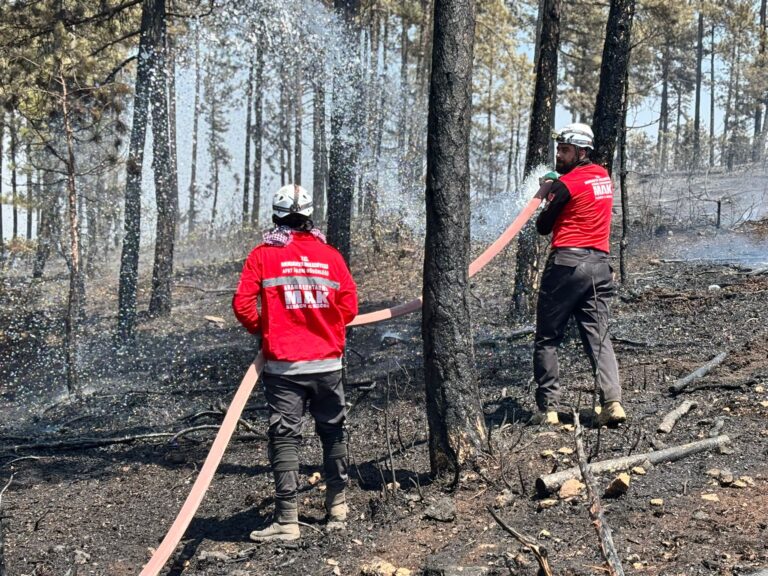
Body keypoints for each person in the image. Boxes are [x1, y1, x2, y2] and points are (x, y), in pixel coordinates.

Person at [232, 184, 358, 541]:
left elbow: (242, 306)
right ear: (309, 217)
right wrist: (324, 325)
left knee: (285, 438)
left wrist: (267, 330)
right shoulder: (331, 256)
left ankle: (287, 520)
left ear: (276, 218)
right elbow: (348, 307)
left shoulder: (262, 255)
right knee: (333, 431)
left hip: (284, 367)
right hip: (328, 364)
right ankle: (338, 509)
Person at [530, 123, 626, 427]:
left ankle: (549, 409)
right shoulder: (603, 176)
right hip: (599, 267)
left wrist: (550, 190)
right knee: (598, 337)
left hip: (567, 265)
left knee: (547, 337)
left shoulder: (564, 185)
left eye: (566, 150)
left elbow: (543, 226)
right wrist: (558, 183)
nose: (559, 154)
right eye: (559, 149)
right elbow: (583, 190)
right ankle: (612, 402)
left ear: (582, 151)